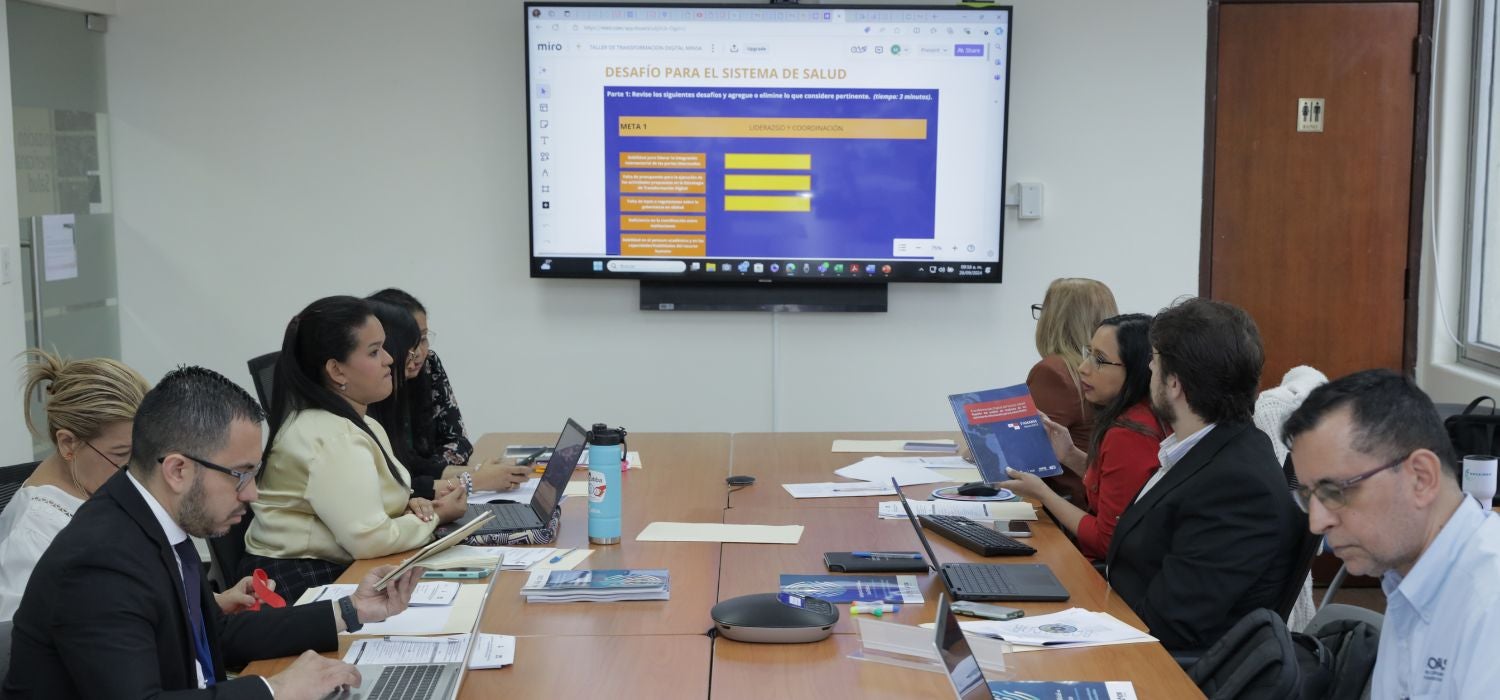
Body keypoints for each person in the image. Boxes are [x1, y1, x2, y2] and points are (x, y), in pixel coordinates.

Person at [2, 365, 427, 699]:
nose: (252, 494)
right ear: (178, 470)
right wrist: (276, 689)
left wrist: (353, 611)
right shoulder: (99, 562)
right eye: (240, 475)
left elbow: (215, 635)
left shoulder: (154, 515)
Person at [1285, 370, 1500, 698]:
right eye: (1309, 496)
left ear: (1421, 478)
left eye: (1334, 490)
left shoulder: (1488, 607)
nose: (1317, 523)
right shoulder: (1407, 580)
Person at [1103, 297, 1302, 651]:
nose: (1149, 369)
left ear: (1175, 384)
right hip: (1117, 627)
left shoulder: (1237, 487)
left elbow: (1169, 625)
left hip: (1156, 668)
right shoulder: (1203, 448)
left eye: (1156, 360)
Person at [241, 295, 465, 602]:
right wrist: (435, 518)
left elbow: (362, 513)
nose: (389, 359)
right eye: (374, 352)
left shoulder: (357, 423)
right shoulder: (332, 436)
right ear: (337, 371)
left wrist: (407, 509)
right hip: (302, 584)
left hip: (334, 568)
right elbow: (369, 540)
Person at [999, 314, 1165, 561]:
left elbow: (1107, 542)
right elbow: (1118, 486)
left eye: (1099, 360)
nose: (1083, 367)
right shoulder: (1139, 414)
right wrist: (1069, 455)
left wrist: (1043, 493)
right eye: (1088, 353)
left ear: (1138, 367)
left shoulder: (1130, 433)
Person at [365, 297, 529, 499]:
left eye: (422, 339)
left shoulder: (416, 371)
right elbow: (393, 488)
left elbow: (411, 464)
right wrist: (472, 481)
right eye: (374, 352)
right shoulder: (366, 405)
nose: (416, 354)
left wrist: (474, 474)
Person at [367, 288, 486, 473]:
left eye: (423, 339)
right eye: (410, 341)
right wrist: (467, 476)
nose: (419, 353)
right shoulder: (370, 386)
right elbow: (395, 467)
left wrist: (439, 474)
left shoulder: (429, 364)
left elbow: (459, 441)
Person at [1026, 278, 1118, 506]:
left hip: (1062, 507)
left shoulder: (1055, 371)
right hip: (1100, 499)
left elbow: (1027, 454)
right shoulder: (1111, 371)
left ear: (1053, 320)